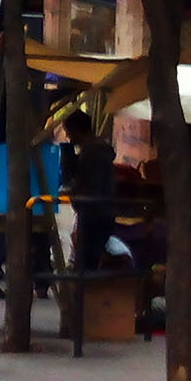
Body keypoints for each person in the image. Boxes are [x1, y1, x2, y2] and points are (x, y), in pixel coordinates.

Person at [61, 111, 117, 271]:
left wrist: (74, 188)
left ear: (77, 130)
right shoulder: (98, 151)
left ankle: (83, 293)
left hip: (94, 212)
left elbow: (91, 185)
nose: (68, 136)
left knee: (86, 261)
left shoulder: (92, 154)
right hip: (100, 211)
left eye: (69, 131)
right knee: (88, 258)